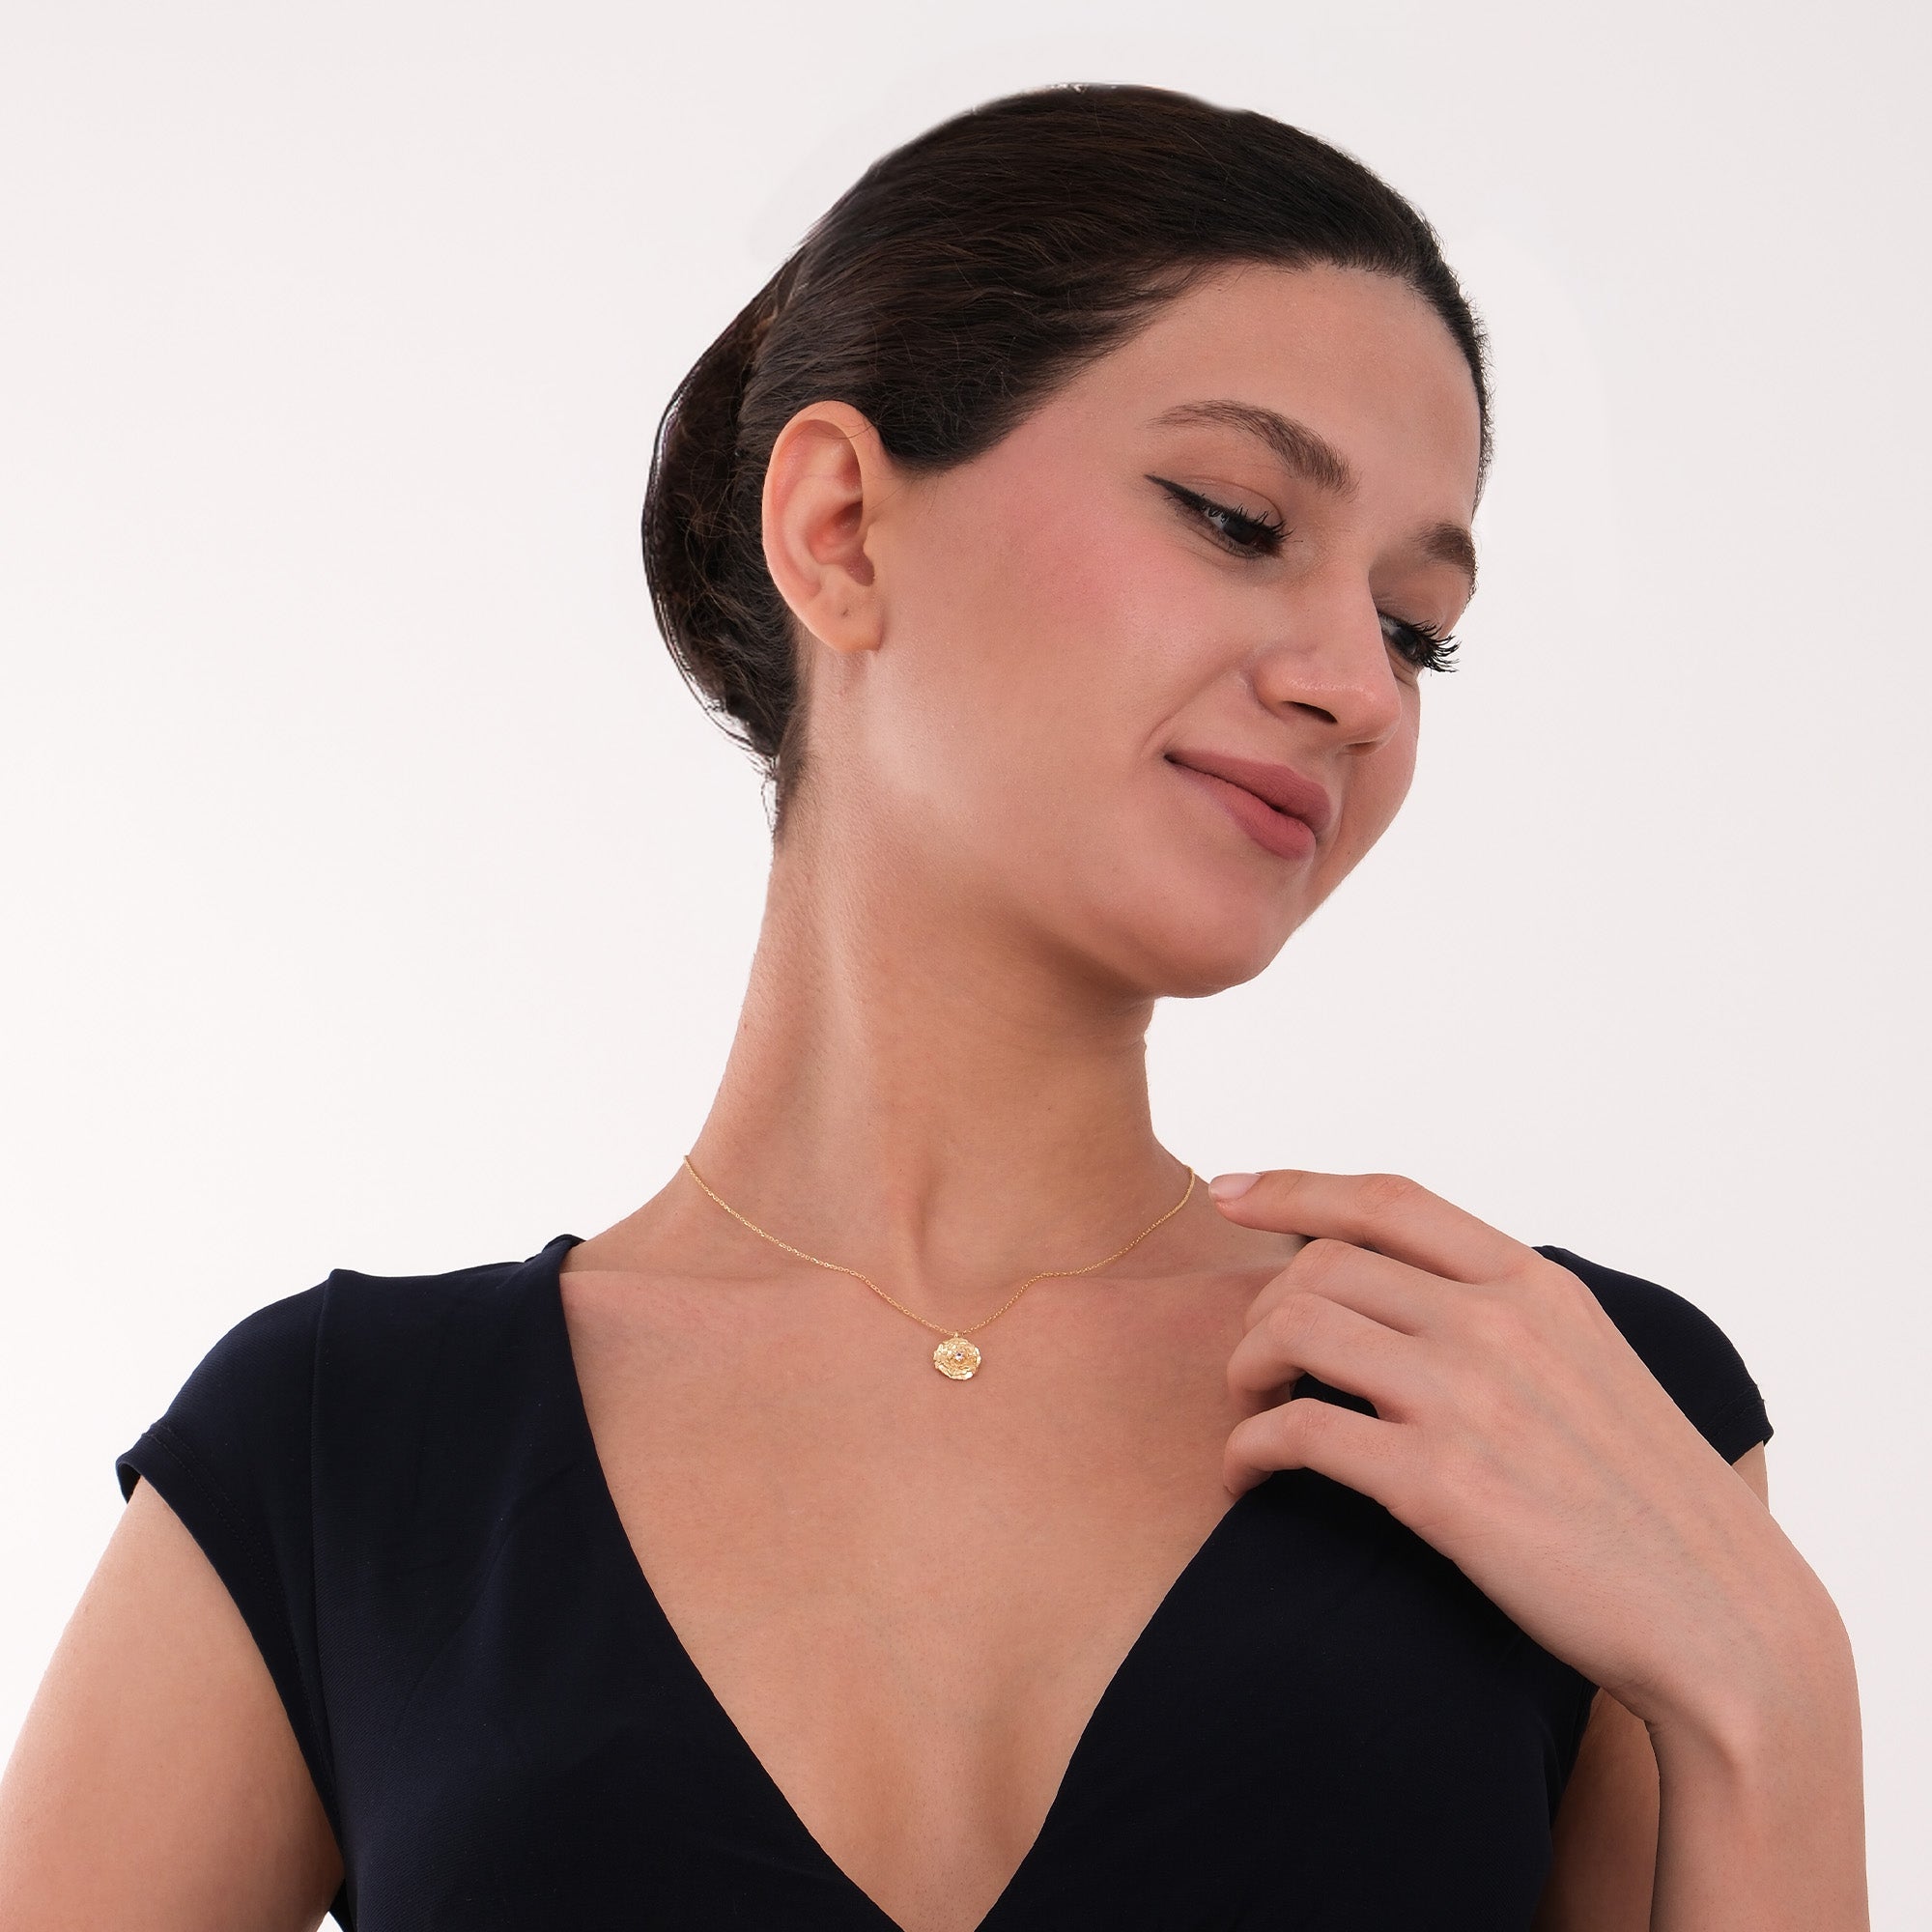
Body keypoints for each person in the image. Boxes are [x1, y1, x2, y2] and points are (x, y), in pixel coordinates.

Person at [0, 82, 1866, 1932]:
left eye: (1414, 625)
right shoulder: (342, 1461)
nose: (1359, 690)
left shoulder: (1557, 1407)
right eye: (1236, 517)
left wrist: (1771, 1696)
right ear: (840, 527)